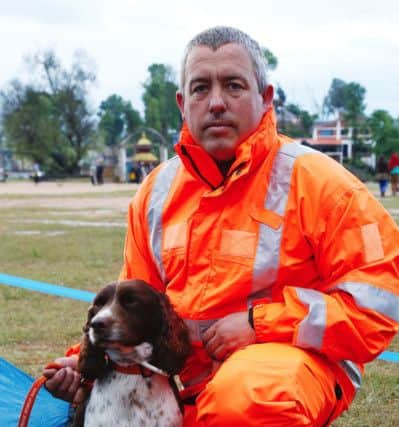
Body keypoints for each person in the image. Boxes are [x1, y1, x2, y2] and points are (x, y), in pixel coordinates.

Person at [44, 26, 399, 426]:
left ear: (265, 98)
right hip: (192, 384)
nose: (215, 103)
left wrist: (259, 325)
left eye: (233, 86)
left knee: (245, 399)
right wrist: (78, 362)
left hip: (288, 374)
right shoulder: (155, 194)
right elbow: (135, 305)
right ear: (182, 103)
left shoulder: (323, 184)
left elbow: (377, 309)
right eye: (200, 88)